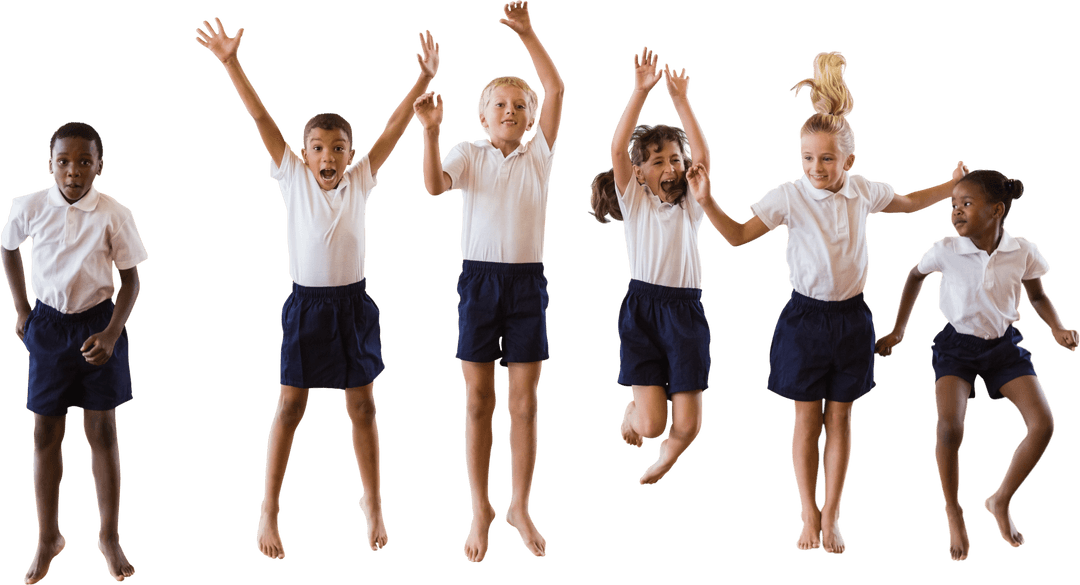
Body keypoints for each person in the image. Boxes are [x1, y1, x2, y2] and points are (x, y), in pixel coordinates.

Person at [694, 50, 966, 554]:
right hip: (804, 319)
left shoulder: (863, 191)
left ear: (848, 161)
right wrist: (707, 200)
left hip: (853, 319)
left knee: (839, 418)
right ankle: (807, 515)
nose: (816, 167)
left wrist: (952, 186)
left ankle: (833, 516)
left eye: (826, 159)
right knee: (806, 419)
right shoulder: (789, 196)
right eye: (807, 158)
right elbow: (735, 236)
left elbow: (908, 202)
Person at [194, 16, 440, 559]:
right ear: (304, 154)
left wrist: (422, 81)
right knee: (290, 407)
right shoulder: (293, 177)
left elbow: (394, 131)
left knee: (363, 409)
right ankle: (268, 513)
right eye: (318, 148)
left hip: (352, 306)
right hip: (307, 307)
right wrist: (231, 61)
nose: (328, 157)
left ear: (349, 154)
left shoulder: (361, 179)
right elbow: (260, 115)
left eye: (337, 148)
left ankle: (373, 504)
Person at [412, 0, 564, 564]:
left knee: (524, 402)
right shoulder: (468, 153)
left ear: (530, 117)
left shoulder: (539, 154)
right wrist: (430, 132)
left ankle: (520, 504)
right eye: (499, 104)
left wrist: (527, 31)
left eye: (518, 105)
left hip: (527, 284)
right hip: (478, 282)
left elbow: (555, 86)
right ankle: (480, 507)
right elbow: (433, 188)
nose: (510, 110)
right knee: (479, 401)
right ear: (481, 115)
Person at [875, 169, 1076, 562]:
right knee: (951, 426)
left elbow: (1036, 295)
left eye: (966, 204)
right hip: (956, 347)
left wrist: (1057, 327)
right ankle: (954, 512)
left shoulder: (1023, 251)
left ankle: (1000, 499)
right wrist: (899, 330)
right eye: (953, 205)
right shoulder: (946, 249)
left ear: (997, 209)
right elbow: (914, 276)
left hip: (1004, 346)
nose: (955, 212)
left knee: (1044, 424)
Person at [2, 121, 148, 584]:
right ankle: (48, 538)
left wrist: (110, 333)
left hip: (97, 326)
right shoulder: (29, 205)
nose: (73, 171)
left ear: (99, 165)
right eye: (64, 161)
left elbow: (130, 280)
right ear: (50, 164)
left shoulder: (114, 214)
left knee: (102, 431)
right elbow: (8, 249)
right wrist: (23, 307)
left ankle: (108, 536)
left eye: (84, 161)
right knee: (44, 433)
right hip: (48, 325)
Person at [588, 47, 712, 486]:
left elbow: (701, 157)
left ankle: (667, 457)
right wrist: (641, 90)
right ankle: (634, 415)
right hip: (643, 311)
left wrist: (681, 101)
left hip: (686, 312)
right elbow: (618, 148)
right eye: (658, 161)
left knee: (689, 426)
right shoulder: (635, 202)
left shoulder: (693, 208)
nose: (670, 167)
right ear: (640, 174)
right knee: (652, 423)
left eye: (674, 160)